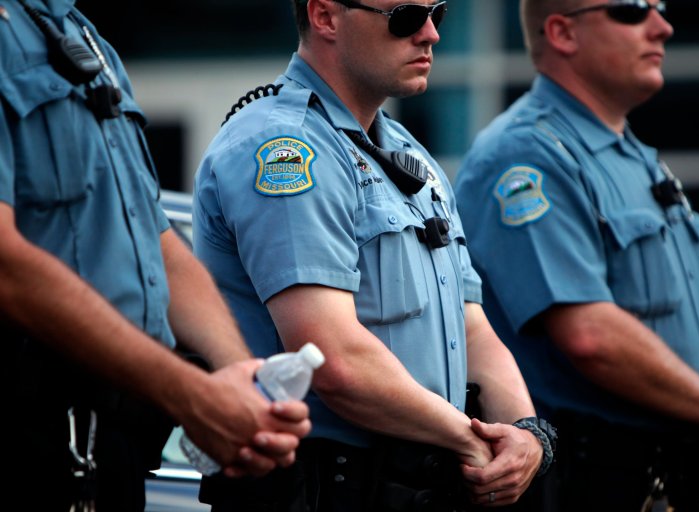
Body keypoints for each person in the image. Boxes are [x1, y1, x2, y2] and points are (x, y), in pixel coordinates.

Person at [192, 0, 555, 510]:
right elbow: (333, 360)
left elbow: (472, 327)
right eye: (406, 16)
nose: (429, 34)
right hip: (322, 489)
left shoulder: (410, 157)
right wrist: (476, 443)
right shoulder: (286, 148)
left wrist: (526, 435)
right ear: (325, 17)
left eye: (439, 14)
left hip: (420, 482)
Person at [454, 0, 699, 510]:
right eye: (632, 10)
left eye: (662, 9)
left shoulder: (635, 158)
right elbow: (590, 335)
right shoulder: (526, 155)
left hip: (670, 479)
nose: (662, 26)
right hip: (588, 483)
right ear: (562, 33)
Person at [0, 1, 311, 510]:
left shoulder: (82, 37)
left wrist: (242, 380)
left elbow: (156, 238)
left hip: (112, 450)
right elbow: (6, 266)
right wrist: (191, 394)